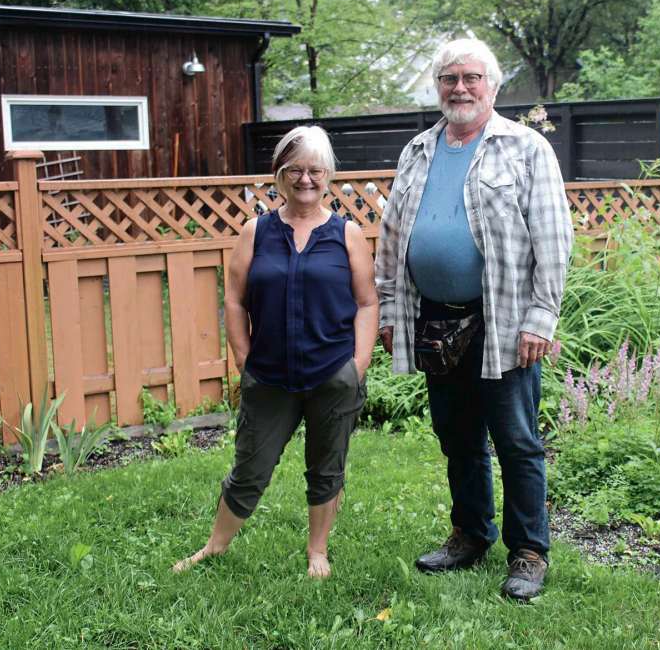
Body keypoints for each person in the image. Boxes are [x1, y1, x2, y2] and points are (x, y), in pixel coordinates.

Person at [375, 38, 573, 601]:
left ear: (493, 85)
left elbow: (554, 239)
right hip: (435, 318)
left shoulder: (526, 147)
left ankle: (529, 551)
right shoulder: (418, 150)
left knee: (516, 440)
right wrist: (389, 307)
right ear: (438, 86)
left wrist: (541, 316)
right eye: (449, 78)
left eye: (471, 77)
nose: (459, 88)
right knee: (456, 435)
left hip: (504, 318)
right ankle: (470, 534)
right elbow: (392, 235)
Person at [173, 126, 378, 579]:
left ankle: (317, 551)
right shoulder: (256, 232)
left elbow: (367, 302)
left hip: (332, 373)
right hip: (268, 376)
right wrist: (243, 359)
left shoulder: (347, 234)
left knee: (327, 467)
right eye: (295, 170)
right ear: (280, 174)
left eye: (315, 171)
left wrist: (358, 365)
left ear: (328, 176)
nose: (306, 180)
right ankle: (214, 547)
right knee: (250, 466)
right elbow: (234, 299)